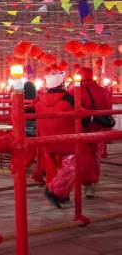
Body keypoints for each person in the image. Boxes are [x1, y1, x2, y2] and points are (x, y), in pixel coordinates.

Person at [33, 72, 76, 208]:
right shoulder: (69, 98)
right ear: (62, 83)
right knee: (71, 167)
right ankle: (54, 191)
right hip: (67, 141)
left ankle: (60, 194)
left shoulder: (39, 100)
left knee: (52, 169)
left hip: (47, 140)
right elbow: (83, 118)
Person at [69, 67, 112, 198]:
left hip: (81, 128)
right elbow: (108, 110)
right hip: (98, 127)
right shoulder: (103, 91)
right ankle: (94, 179)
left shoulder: (73, 91)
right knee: (95, 155)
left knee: (84, 156)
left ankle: (88, 184)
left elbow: (69, 109)